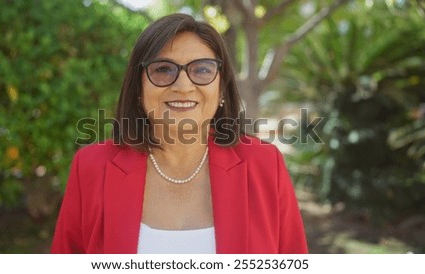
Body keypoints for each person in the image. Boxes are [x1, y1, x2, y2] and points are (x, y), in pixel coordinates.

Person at [51, 13, 308, 254]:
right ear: (139, 88)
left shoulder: (264, 164)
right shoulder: (91, 167)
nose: (183, 86)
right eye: (163, 69)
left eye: (202, 70)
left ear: (221, 90)